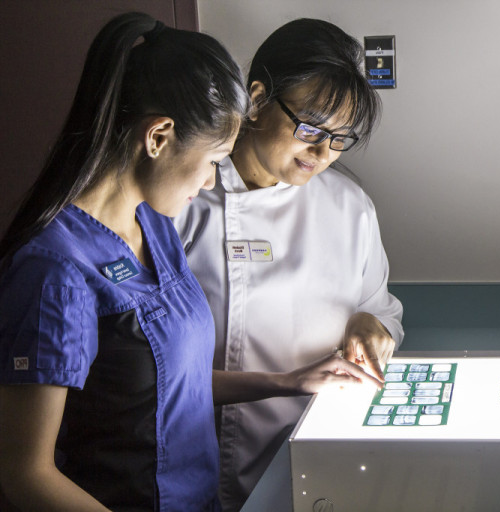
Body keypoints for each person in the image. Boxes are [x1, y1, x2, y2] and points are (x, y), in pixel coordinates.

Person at [0, 12, 379, 512]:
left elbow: (174, 380)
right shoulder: (56, 271)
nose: (209, 184)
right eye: (211, 162)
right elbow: (26, 476)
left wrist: (289, 381)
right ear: (158, 137)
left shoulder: (154, 230)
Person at [173, 18, 404, 510]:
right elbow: (145, 362)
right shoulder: (187, 198)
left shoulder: (349, 207)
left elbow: (381, 310)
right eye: (310, 129)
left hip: (317, 446)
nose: (323, 153)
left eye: (341, 139)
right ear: (256, 99)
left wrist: (371, 325)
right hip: (194, 456)